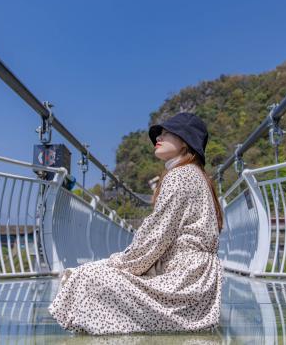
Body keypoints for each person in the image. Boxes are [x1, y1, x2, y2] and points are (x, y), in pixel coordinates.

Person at [48, 112, 225, 335]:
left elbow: (156, 238)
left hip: (183, 284)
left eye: (167, 133)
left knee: (87, 278)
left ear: (185, 142)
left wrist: (115, 263)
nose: (159, 137)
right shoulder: (195, 175)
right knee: (94, 276)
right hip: (197, 285)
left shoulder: (180, 175)